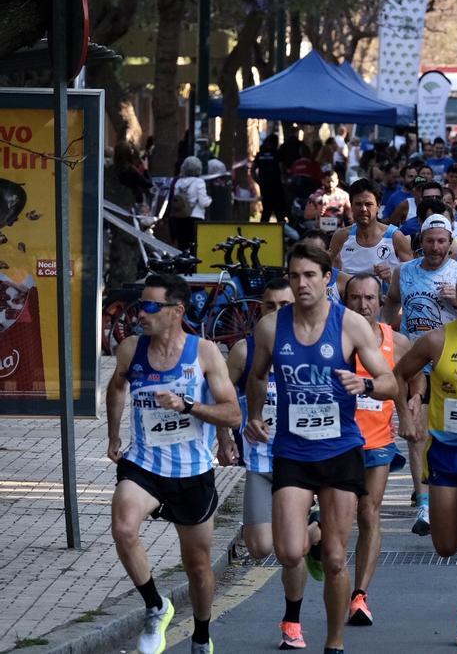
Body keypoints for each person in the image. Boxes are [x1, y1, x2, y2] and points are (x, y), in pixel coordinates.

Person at [244, 243, 400, 654]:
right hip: (293, 451)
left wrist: (364, 383)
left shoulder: (350, 325)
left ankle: (334, 643)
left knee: (334, 559)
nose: (302, 284)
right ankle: (305, 555)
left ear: (328, 279)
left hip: (340, 451)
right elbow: (256, 375)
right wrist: (254, 415)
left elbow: (390, 383)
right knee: (289, 551)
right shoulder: (270, 328)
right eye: (295, 276)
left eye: (310, 275)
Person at [107, 273, 241, 654]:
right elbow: (116, 385)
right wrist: (114, 435)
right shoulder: (131, 349)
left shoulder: (204, 353)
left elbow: (232, 414)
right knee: (123, 527)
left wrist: (188, 406)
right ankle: (156, 606)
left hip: (192, 472)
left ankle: (201, 635)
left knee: (198, 567)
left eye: (150, 307)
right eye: (139, 305)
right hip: (144, 465)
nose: (140, 314)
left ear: (176, 311)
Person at [394, 269, 457, 646]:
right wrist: (407, 413)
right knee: (446, 545)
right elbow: (399, 374)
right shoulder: (436, 340)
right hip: (446, 453)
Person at [226, 279, 324, 650]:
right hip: (259, 461)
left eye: (285, 303)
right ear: (260, 310)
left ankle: (292, 622)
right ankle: (315, 534)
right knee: (260, 548)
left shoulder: (314, 345)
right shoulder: (243, 351)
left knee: (289, 551)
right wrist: (224, 436)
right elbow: (219, 395)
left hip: (300, 462)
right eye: (270, 305)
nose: (278, 311)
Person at [384, 214, 457, 534]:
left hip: (450, 362)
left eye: (441, 241)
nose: (435, 247)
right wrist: (387, 336)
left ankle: (454, 496)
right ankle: (425, 505)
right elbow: (391, 304)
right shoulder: (403, 272)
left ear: (449, 243)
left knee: (449, 436)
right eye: (430, 240)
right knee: (417, 435)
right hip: (414, 363)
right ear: (421, 242)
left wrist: (456, 298)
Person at [343, 274, 412, 626]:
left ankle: (359, 596)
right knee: (336, 519)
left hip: (378, 442)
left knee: (369, 512)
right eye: (355, 297)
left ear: (381, 300)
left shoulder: (394, 341)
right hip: (336, 442)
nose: (363, 304)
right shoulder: (333, 339)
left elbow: (408, 380)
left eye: (370, 298)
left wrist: (408, 416)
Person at [329, 179, 413, 284]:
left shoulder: (395, 237)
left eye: (368, 204)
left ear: (378, 206)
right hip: (348, 298)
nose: (363, 209)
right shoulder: (341, 237)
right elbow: (328, 277)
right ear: (351, 206)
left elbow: (411, 280)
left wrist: (390, 279)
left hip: (385, 299)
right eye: (358, 204)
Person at [169, 156, 212, 254]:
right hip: (195, 218)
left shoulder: (178, 182)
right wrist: (210, 199)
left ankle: (182, 268)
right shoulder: (199, 182)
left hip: (179, 218)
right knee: (194, 247)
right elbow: (203, 202)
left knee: (182, 247)